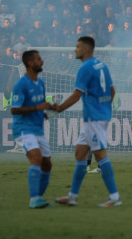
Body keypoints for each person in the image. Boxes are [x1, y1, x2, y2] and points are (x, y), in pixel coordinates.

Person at [52, 36, 122, 207]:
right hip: (99, 115)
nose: (75, 50)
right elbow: (112, 91)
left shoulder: (85, 68)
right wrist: (104, 108)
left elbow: (77, 95)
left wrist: (59, 108)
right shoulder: (102, 65)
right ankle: (72, 196)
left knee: (100, 155)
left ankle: (114, 198)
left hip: (94, 118)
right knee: (80, 154)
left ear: (86, 49)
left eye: (77, 47)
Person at [10, 50, 54, 209]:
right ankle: (34, 199)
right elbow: (14, 110)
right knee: (36, 158)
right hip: (23, 128)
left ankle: (39, 198)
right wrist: (37, 107)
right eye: (39, 59)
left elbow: (39, 105)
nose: (42, 61)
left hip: (38, 129)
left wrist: (46, 111)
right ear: (30, 63)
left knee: (47, 164)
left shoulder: (40, 83)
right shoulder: (21, 84)